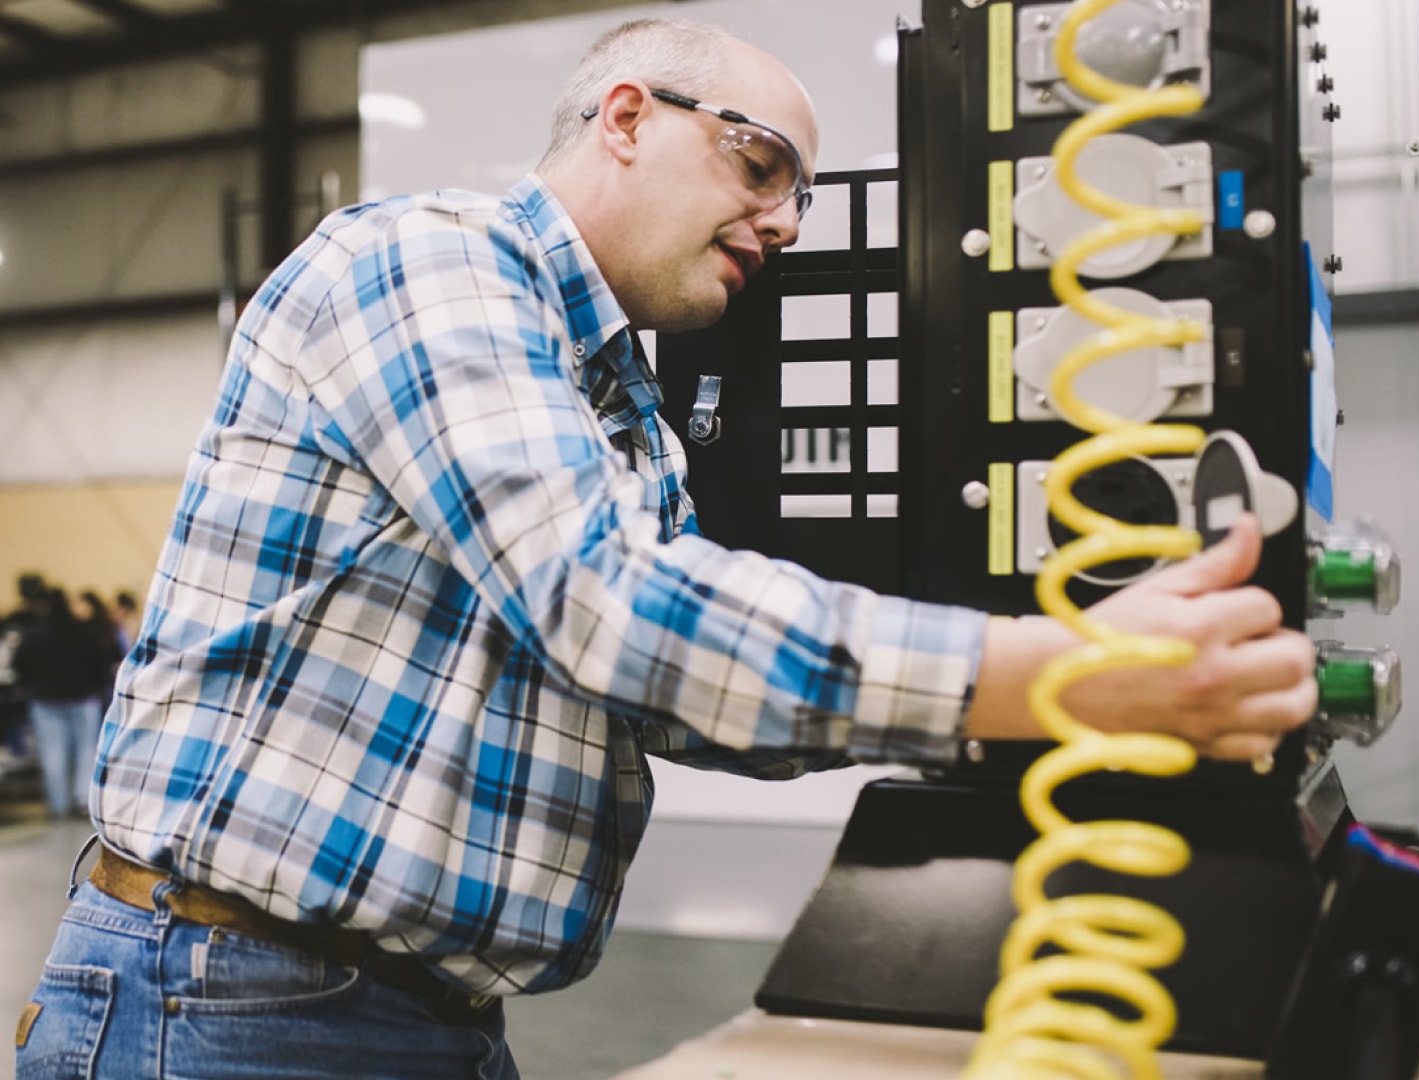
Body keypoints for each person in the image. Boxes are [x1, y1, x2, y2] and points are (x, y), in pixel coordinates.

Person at [14, 17, 1316, 1080]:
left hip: (416, 1016)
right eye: (761, 166)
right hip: (230, 1003)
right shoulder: (426, 262)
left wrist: (1019, 710)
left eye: (802, 191)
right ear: (626, 118)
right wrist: (1062, 672)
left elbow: (672, 695)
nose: (792, 222)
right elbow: (614, 606)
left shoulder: (623, 408)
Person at [11, 586, 109, 820]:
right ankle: (83, 801)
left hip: (45, 701)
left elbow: (19, 666)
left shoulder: (33, 634)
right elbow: (101, 662)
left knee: (52, 753)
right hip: (83, 698)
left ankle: (58, 806)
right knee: (86, 750)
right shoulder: (84, 631)